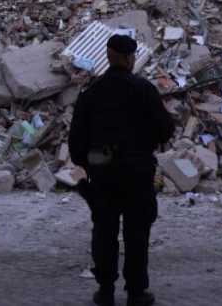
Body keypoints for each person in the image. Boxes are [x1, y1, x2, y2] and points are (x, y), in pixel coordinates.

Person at [69, 34, 174, 306]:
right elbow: (165, 129)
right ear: (130, 58)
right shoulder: (144, 89)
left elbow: (76, 141)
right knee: (137, 233)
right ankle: (136, 293)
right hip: (137, 174)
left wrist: (89, 164)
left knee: (104, 232)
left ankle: (105, 290)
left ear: (108, 56)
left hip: (103, 175)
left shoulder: (92, 93)